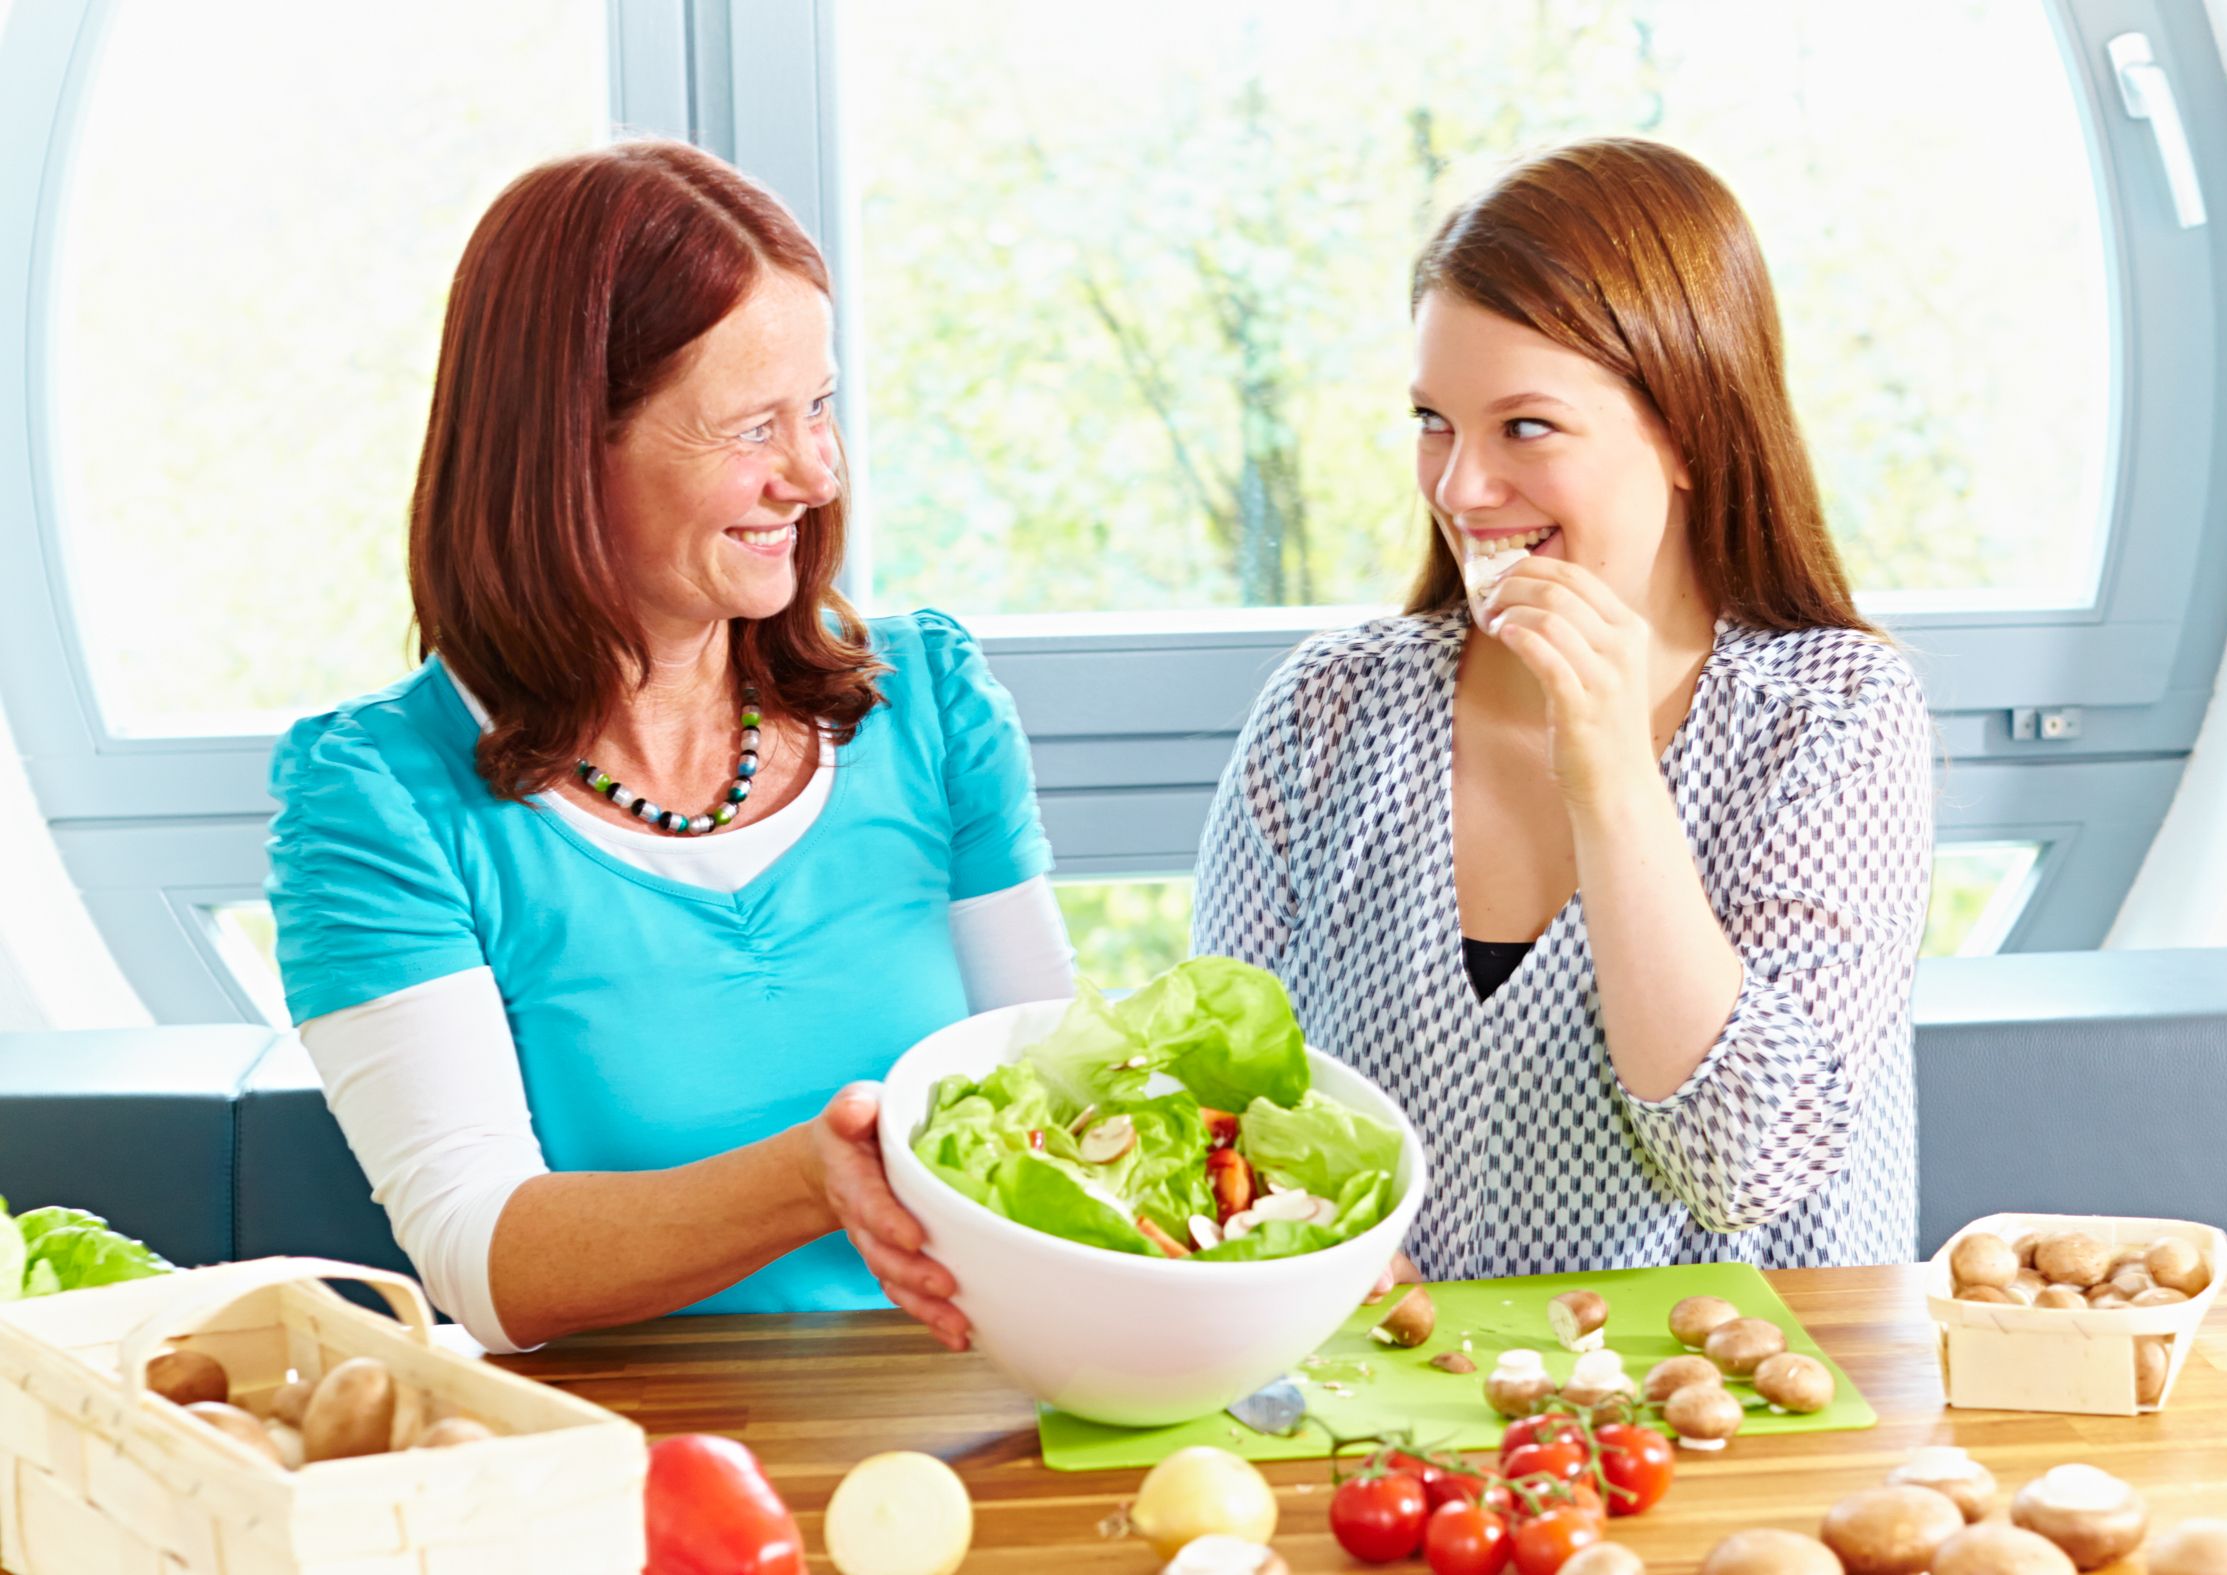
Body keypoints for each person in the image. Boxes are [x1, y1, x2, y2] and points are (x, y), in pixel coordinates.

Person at [266, 140, 1069, 1353]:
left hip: (971, 1410)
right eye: (753, 425)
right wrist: (810, 1177)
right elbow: (485, 1255)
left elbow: (1060, 1097)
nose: (814, 472)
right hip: (623, 1473)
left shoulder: (933, 703)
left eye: (819, 406)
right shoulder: (377, 797)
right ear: (567, 448)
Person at [1192, 138, 1933, 1279]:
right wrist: (1287, 1233)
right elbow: (1222, 1111)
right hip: (1393, 1426)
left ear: (1688, 430)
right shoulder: (1326, 713)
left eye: (1524, 427)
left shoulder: (1833, 718)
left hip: (1743, 1421)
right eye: (1433, 421)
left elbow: (1744, 1167)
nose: (1460, 487)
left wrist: (1609, 770)